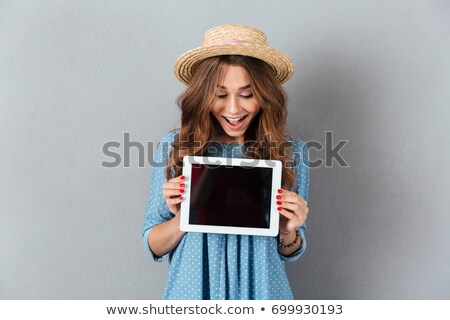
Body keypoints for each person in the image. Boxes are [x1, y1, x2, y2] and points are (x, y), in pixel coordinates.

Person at [142, 24, 310, 299]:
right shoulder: (176, 147)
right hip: (193, 295)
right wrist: (185, 217)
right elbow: (153, 244)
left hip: (263, 294)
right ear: (203, 96)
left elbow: (290, 252)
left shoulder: (292, 152)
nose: (233, 109)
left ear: (265, 96)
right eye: (220, 95)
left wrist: (287, 229)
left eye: (247, 94)